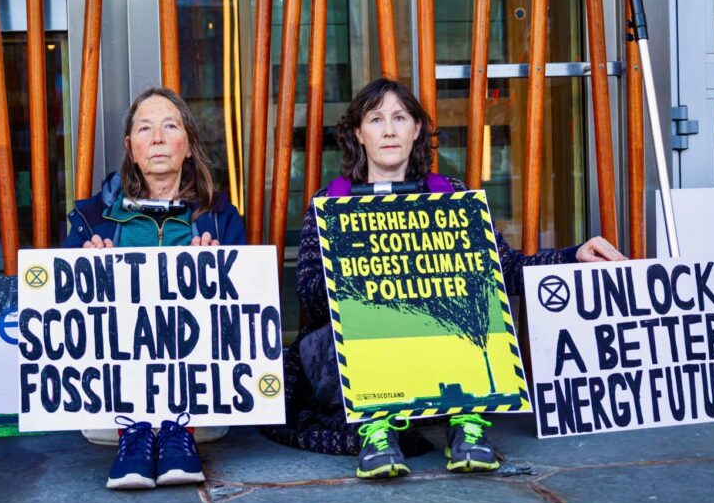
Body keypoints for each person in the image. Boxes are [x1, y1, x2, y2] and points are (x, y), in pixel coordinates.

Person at [261, 78, 625, 479]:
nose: (388, 129)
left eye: (400, 117)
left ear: (416, 129)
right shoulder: (331, 202)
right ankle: (375, 428)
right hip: (361, 349)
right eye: (376, 119)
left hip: (436, 346)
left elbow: (503, 270)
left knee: (471, 307)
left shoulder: (448, 193)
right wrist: (361, 270)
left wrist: (573, 256)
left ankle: (467, 425)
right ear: (357, 134)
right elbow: (309, 298)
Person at [63, 87, 246, 489]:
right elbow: (62, 317)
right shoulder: (91, 220)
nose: (158, 138)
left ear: (188, 144)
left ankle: (178, 430)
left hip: (200, 402)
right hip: (115, 403)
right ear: (130, 147)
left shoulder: (220, 219)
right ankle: (137, 431)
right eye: (146, 129)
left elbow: (243, 317)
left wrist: (217, 270)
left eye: (170, 126)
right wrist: (87, 268)